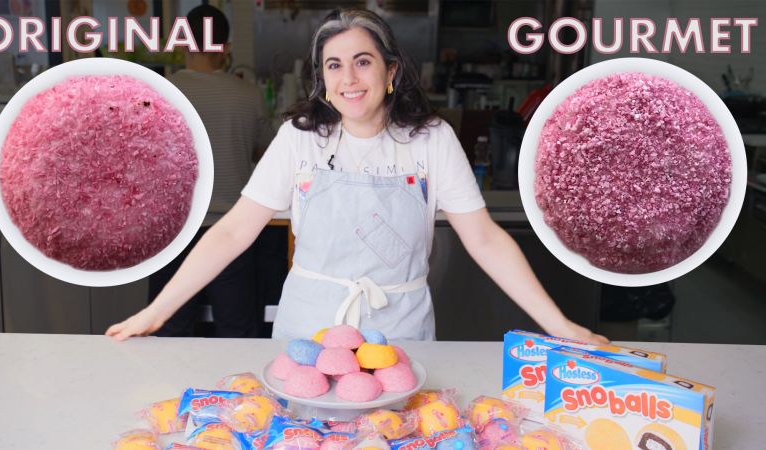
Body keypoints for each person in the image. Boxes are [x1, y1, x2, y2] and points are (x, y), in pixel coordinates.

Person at [107, 9, 607, 344]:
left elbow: (485, 240)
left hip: (401, 333)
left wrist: (557, 324)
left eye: (362, 62)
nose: (348, 79)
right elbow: (235, 230)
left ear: (391, 72)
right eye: (334, 65)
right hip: (310, 331)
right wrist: (157, 312)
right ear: (322, 79)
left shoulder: (431, 140)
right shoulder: (300, 138)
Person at [146, 4, 275, 337]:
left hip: (172, 234)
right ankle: (237, 390)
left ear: (182, 43)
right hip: (232, 230)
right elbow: (263, 154)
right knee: (236, 332)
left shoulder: (159, 93)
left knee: (170, 330)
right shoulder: (249, 94)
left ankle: (170, 390)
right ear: (226, 49)